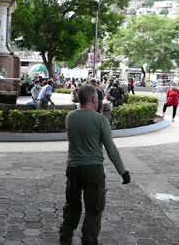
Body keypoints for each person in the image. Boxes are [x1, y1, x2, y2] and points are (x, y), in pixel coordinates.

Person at [59, 84, 130, 245]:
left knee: (72, 205)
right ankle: (89, 241)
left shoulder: (70, 116)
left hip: (73, 169)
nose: (99, 102)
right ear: (93, 99)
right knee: (94, 209)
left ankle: (65, 238)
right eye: (97, 99)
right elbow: (110, 148)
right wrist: (123, 172)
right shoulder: (101, 120)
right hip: (93, 171)